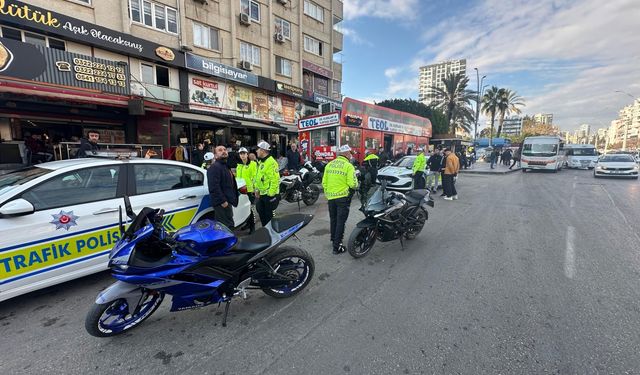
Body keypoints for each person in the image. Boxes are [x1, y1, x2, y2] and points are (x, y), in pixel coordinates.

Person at [322, 145, 358, 254]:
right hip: (343, 198)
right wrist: (357, 184)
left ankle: (333, 239)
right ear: (347, 154)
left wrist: (328, 194)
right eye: (350, 153)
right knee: (341, 222)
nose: (351, 155)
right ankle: (337, 247)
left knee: (333, 220)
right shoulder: (348, 166)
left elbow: (324, 182)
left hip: (331, 198)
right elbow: (352, 184)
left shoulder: (329, 164)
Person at [207, 145, 238, 229]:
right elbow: (213, 187)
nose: (224, 151)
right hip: (222, 203)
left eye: (225, 149)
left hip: (227, 201)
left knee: (229, 225)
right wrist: (223, 201)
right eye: (220, 150)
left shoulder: (225, 166)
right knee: (225, 227)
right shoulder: (214, 167)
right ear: (215, 155)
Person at [254, 141, 280, 226]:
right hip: (262, 194)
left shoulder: (271, 162)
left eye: (258, 150)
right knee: (261, 214)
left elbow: (275, 180)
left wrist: (270, 194)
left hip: (268, 195)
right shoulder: (261, 162)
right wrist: (257, 190)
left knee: (269, 218)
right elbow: (259, 178)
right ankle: (266, 232)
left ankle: (271, 235)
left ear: (263, 150)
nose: (256, 151)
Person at [237, 147, 257, 233]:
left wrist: (255, 189)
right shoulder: (239, 165)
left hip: (250, 190)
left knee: (250, 209)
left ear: (247, 154)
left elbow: (255, 178)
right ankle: (248, 224)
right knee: (244, 209)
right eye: (241, 154)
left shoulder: (252, 164)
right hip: (241, 190)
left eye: (244, 153)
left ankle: (252, 226)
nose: (242, 155)